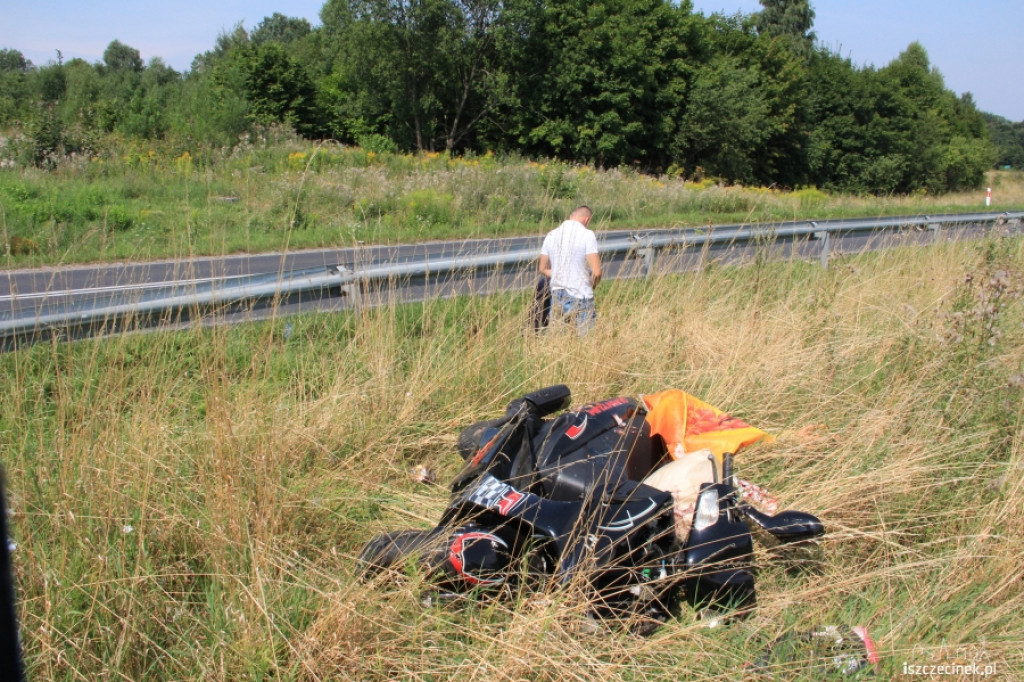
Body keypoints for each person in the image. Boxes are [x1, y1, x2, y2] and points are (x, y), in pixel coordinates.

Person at [538, 206, 602, 331]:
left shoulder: (551, 235)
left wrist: (561, 274)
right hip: (581, 294)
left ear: (571, 216)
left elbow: (543, 267)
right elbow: (597, 272)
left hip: (557, 293)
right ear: (587, 220)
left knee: (560, 339)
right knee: (586, 339)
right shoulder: (587, 234)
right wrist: (592, 284)